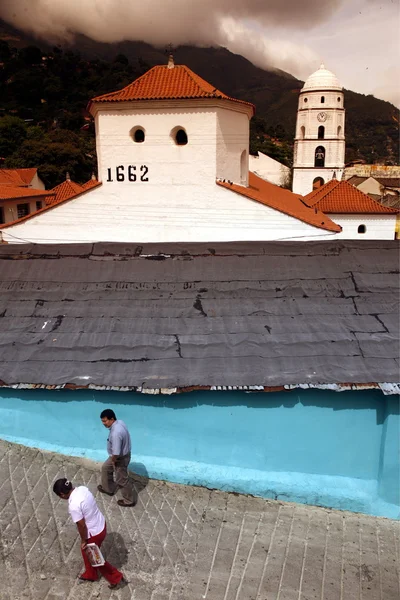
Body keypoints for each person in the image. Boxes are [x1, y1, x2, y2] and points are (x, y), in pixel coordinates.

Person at [52, 478, 126, 588]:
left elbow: (81, 525)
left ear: (62, 494)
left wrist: (83, 540)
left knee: (95, 558)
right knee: (86, 553)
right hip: (101, 524)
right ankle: (91, 574)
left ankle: (116, 577)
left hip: (94, 533)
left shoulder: (74, 506)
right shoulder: (82, 489)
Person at [98, 408, 136, 507]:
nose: (103, 423)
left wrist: (114, 461)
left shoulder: (115, 433)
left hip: (119, 458)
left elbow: (116, 452)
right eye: (102, 421)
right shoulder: (120, 423)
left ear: (112, 419)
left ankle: (129, 500)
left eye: (105, 421)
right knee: (106, 468)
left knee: (121, 479)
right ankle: (108, 489)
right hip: (120, 455)